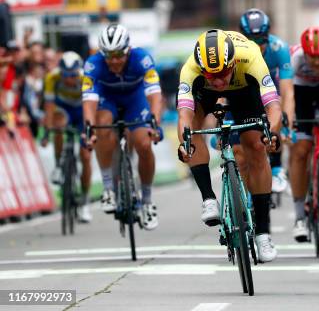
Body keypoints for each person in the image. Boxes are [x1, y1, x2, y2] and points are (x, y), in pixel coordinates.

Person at [176, 29, 282, 262]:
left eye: (223, 73)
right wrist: (184, 142)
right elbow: (183, 113)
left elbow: (273, 107)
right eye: (211, 75)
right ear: (201, 68)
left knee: (255, 146)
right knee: (191, 130)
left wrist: (271, 133)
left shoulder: (251, 56)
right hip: (205, 95)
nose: (219, 80)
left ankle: (263, 234)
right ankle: (208, 199)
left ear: (233, 62)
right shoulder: (191, 68)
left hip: (245, 90)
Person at [82, 24, 163, 231]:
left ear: (128, 50)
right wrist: (89, 128)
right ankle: (108, 188)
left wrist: (155, 122)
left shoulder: (142, 58)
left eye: (119, 55)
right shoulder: (93, 64)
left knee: (144, 144)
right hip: (107, 101)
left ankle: (146, 201)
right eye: (109, 56)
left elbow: (154, 94)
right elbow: (89, 101)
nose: (115, 61)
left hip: (135, 101)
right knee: (101, 125)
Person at [239, 8, 294, 193]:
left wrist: (287, 124)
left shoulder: (279, 48)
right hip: (244, 90)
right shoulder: (235, 51)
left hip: (269, 89)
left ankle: (277, 167)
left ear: (268, 36)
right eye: (251, 41)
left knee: (276, 109)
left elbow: (287, 91)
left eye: (261, 40)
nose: (257, 46)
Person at [289, 26, 319, 242]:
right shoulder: (294, 59)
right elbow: (285, 92)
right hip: (300, 94)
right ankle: (299, 216)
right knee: (300, 150)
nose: (316, 63)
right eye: (312, 57)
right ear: (304, 52)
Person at [41, 52, 93, 222]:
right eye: (65, 75)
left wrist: (89, 130)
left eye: (72, 75)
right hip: (63, 109)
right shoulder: (51, 78)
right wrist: (47, 131)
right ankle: (58, 165)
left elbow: (91, 108)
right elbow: (49, 107)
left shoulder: (86, 78)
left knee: (86, 156)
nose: (68, 79)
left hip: (82, 110)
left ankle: (85, 202)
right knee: (57, 124)